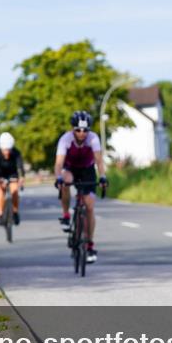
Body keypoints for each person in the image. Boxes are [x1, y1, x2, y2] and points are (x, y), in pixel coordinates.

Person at [54, 111, 108, 263]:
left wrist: (103, 176)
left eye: (85, 130)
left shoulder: (93, 139)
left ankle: (89, 244)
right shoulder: (65, 139)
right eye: (78, 130)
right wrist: (58, 177)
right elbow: (58, 163)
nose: (82, 133)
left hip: (87, 170)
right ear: (73, 129)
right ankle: (66, 215)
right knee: (65, 181)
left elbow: (98, 160)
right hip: (70, 168)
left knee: (89, 207)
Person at [0, 132, 25, 226]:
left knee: (14, 190)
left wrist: (21, 178)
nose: (7, 152)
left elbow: (20, 166)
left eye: (9, 150)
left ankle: (15, 212)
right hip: (0, 174)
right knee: (0, 192)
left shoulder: (16, 153)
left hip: (12, 173)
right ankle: (0, 214)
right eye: (5, 150)